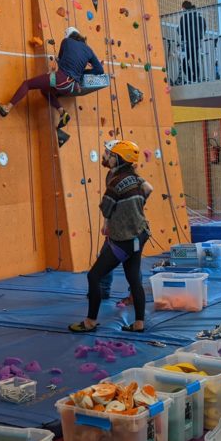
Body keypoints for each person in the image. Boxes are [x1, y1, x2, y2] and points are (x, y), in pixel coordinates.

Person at [69, 140, 152, 333]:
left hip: (124, 240)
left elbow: (106, 207)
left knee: (94, 276)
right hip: (140, 234)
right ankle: (139, 323)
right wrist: (133, 209)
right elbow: (149, 189)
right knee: (133, 279)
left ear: (118, 159)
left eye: (109, 154)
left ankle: (90, 322)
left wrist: (109, 223)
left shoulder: (115, 183)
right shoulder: (137, 179)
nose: (105, 156)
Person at [0, 27, 104, 129]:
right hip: (72, 86)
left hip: (60, 79)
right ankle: (62, 113)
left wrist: (70, 68)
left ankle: (6, 108)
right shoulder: (89, 50)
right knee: (45, 90)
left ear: (69, 36)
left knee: (27, 84)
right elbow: (100, 70)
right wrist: (81, 73)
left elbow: (60, 59)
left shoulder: (66, 41)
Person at [179, 0, 206, 84]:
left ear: (184, 8)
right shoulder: (199, 17)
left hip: (188, 42)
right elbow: (204, 29)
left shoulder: (184, 18)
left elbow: (181, 31)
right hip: (197, 42)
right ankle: (196, 78)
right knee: (195, 60)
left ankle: (191, 77)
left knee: (184, 61)